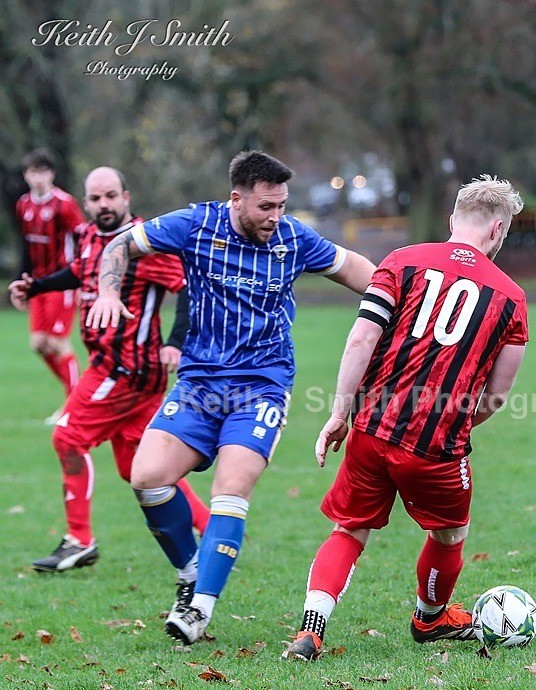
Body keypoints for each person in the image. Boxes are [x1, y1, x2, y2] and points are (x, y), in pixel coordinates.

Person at [85, 150, 377, 645]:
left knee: (231, 488)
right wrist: (108, 294)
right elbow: (118, 247)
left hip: (262, 386)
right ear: (236, 199)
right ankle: (190, 570)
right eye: (266, 206)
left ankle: (199, 609)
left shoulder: (293, 239)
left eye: (282, 205)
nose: (276, 217)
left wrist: (404, 305)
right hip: (199, 384)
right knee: (147, 478)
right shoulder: (195, 225)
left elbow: (361, 272)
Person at [283, 176, 528, 661]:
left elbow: (360, 340)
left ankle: (312, 629)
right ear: (497, 229)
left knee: (349, 529)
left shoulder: (401, 261)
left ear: (453, 220)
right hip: (437, 449)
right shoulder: (512, 299)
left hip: (372, 429)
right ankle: (429, 617)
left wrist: (339, 412)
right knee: (449, 534)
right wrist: (454, 422)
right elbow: (495, 398)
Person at [9, 167, 209, 574]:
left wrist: (175, 342)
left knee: (67, 437)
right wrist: (37, 287)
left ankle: (79, 540)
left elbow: (187, 288)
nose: (104, 205)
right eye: (96, 198)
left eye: (111, 196)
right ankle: (215, 529)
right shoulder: (85, 237)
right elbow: (78, 272)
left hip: (125, 370)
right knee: (137, 468)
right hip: (115, 369)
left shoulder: (143, 245)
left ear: (126, 197)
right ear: (86, 203)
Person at [15, 149, 85, 421]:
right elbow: (25, 246)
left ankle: (73, 405)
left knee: (57, 343)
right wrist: (21, 282)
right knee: (38, 344)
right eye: (33, 172)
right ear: (26, 176)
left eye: (43, 171)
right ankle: (76, 394)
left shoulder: (65, 204)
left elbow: (83, 239)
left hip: (62, 282)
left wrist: (82, 278)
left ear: (52, 174)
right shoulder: (23, 204)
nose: (38, 177)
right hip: (37, 284)